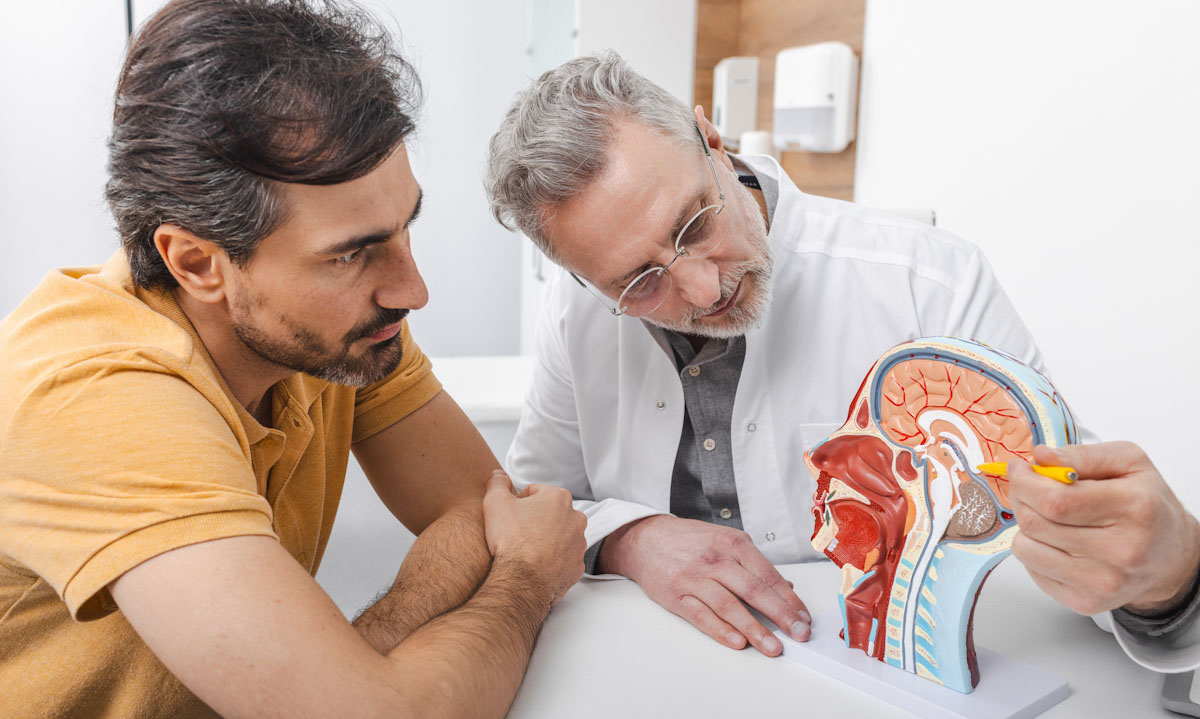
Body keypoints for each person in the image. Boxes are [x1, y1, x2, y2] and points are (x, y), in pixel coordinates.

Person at [484, 51, 1200, 668]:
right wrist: (631, 539)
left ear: (711, 138)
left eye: (696, 221)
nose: (705, 289)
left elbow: (1078, 535)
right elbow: (536, 507)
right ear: (586, 282)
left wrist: (1171, 581)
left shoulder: (930, 285)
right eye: (638, 282)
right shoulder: (576, 314)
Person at [0, 2, 585, 717]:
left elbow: (484, 510)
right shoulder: (96, 398)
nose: (412, 288)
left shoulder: (334, 331)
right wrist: (526, 577)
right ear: (197, 263)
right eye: (351, 253)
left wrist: (359, 657)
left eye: (406, 228)